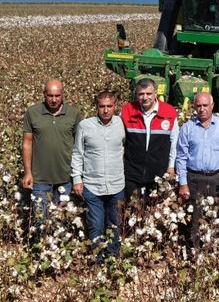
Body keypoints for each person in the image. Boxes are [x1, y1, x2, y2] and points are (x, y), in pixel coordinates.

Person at [175, 92, 219, 248]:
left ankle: (215, 251)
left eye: (205, 105)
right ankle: (195, 253)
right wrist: (183, 183)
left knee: (218, 215)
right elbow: (181, 157)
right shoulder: (187, 128)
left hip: (218, 178)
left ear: (212, 106)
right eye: (198, 106)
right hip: (195, 178)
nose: (202, 109)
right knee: (196, 218)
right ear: (194, 107)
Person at [71, 91, 125, 264]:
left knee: (114, 225)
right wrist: (77, 179)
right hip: (92, 185)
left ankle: (113, 261)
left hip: (117, 185)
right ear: (96, 107)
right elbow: (78, 153)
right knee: (95, 226)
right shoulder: (85, 126)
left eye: (109, 106)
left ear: (115, 106)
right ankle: (98, 263)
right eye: (102, 106)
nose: (106, 110)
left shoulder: (121, 124)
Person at [21, 79, 81, 235]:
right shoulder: (32, 113)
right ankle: (41, 253)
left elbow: (79, 147)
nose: (54, 100)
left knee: (60, 219)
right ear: (44, 94)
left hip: (65, 178)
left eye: (57, 95)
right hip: (40, 178)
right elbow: (27, 143)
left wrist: (78, 177)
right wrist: (28, 172)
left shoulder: (74, 114)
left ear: (63, 95)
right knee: (40, 220)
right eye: (50, 95)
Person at [120, 79, 179, 204]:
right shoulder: (127, 111)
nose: (145, 97)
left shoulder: (169, 112)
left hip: (159, 172)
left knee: (155, 210)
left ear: (156, 93)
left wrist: (171, 165)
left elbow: (174, 142)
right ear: (136, 95)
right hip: (132, 172)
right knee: (133, 209)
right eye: (141, 94)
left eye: (148, 93)